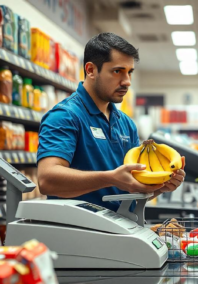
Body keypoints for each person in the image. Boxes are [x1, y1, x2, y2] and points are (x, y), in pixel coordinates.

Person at [37, 33, 186, 212]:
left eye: (129, 72)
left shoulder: (126, 124)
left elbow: (130, 187)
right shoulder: (65, 116)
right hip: (79, 231)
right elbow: (47, 180)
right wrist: (110, 178)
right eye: (117, 71)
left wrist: (159, 187)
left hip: (122, 229)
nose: (127, 81)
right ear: (91, 70)